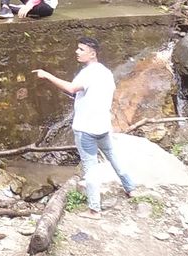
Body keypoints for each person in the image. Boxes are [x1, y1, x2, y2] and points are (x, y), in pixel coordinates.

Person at [34, 36, 135, 212]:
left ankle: (94, 210)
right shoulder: (106, 72)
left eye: (81, 49)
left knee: (91, 169)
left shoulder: (88, 73)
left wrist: (47, 75)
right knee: (113, 157)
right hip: (103, 126)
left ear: (92, 53)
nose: (77, 52)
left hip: (86, 129)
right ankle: (130, 188)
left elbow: (72, 88)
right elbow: (88, 93)